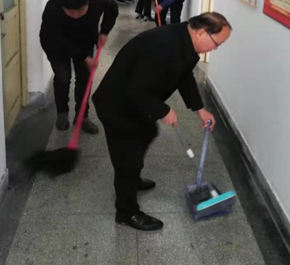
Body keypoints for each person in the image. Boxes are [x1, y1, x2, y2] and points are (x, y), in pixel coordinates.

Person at [92, 12, 232, 231]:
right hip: (117, 104)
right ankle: (127, 212)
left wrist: (199, 109)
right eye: (217, 43)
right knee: (127, 158)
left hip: (137, 103)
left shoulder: (185, 41)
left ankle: (134, 177)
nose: (215, 49)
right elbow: (134, 88)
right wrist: (163, 110)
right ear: (201, 33)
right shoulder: (163, 46)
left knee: (147, 133)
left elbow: (184, 76)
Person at [40, 0, 119, 132]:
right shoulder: (53, 8)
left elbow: (112, 9)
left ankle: (82, 116)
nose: (76, 15)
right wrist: (84, 57)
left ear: (88, 3)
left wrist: (104, 31)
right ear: (63, 7)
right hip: (56, 44)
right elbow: (57, 38)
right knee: (63, 77)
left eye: (81, 10)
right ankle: (62, 113)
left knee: (85, 78)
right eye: (71, 12)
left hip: (84, 39)